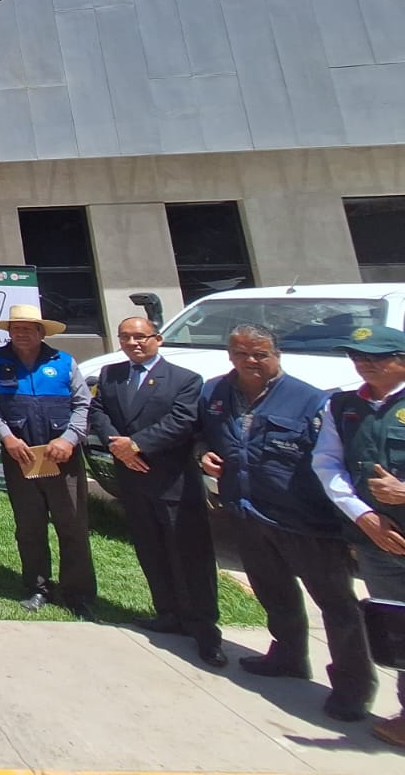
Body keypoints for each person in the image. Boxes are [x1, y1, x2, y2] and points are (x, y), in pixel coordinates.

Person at [199, 324, 375, 722]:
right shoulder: (214, 393)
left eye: (260, 354)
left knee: (336, 604)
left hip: (304, 520)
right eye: (241, 353)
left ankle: (352, 687)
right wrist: (203, 453)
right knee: (273, 591)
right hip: (246, 511)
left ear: (277, 355)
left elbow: (336, 463)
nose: (250, 361)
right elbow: (204, 436)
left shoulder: (312, 401)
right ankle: (289, 655)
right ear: (230, 355)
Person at [90, 316, 223, 667]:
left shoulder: (185, 379)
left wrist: (136, 445)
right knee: (151, 550)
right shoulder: (111, 374)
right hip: (132, 482)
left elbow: (182, 421)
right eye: (126, 337)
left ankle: (205, 631)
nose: (133, 343)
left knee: (190, 557)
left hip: (172, 482)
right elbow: (99, 411)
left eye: (141, 337)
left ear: (157, 339)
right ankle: (167, 612)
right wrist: (116, 445)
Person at [313, 324, 405, 749]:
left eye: (376, 357)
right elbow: (328, 464)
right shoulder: (343, 405)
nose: (363, 364)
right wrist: (364, 515)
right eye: (357, 356)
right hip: (379, 540)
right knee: (397, 627)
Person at [0, 304, 96, 617]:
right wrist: (7, 438)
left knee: (72, 525)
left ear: (41, 332)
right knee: (29, 527)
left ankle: (77, 593)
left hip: (62, 459)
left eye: (28, 328)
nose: (21, 333)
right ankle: (38, 587)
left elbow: (84, 406)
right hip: (21, 458)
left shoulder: (64, 362)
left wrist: (68, 440)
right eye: (16, 328)